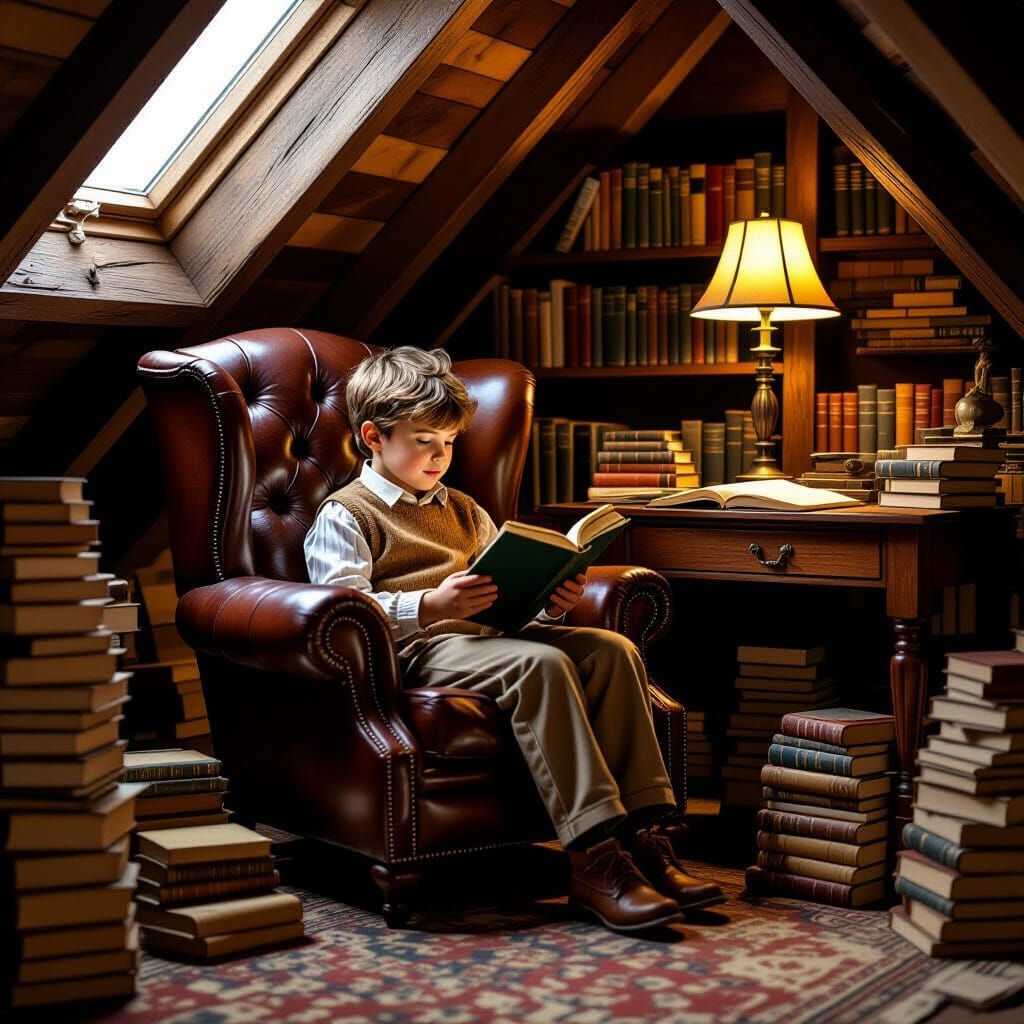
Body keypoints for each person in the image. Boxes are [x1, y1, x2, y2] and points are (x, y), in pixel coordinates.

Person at [304, 346, 724, 934]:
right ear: (374, 436)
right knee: (539, 666)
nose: (439, 456)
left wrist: (553, 597)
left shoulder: (467, 510)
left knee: (612, 651)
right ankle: (593, 861)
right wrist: (428, 604)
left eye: (448, 443)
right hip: (416, 651)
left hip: (486, 642)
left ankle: (646, 838)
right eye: (424, 440)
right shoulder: (345, 515)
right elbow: (339, 609)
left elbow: (505, 593)